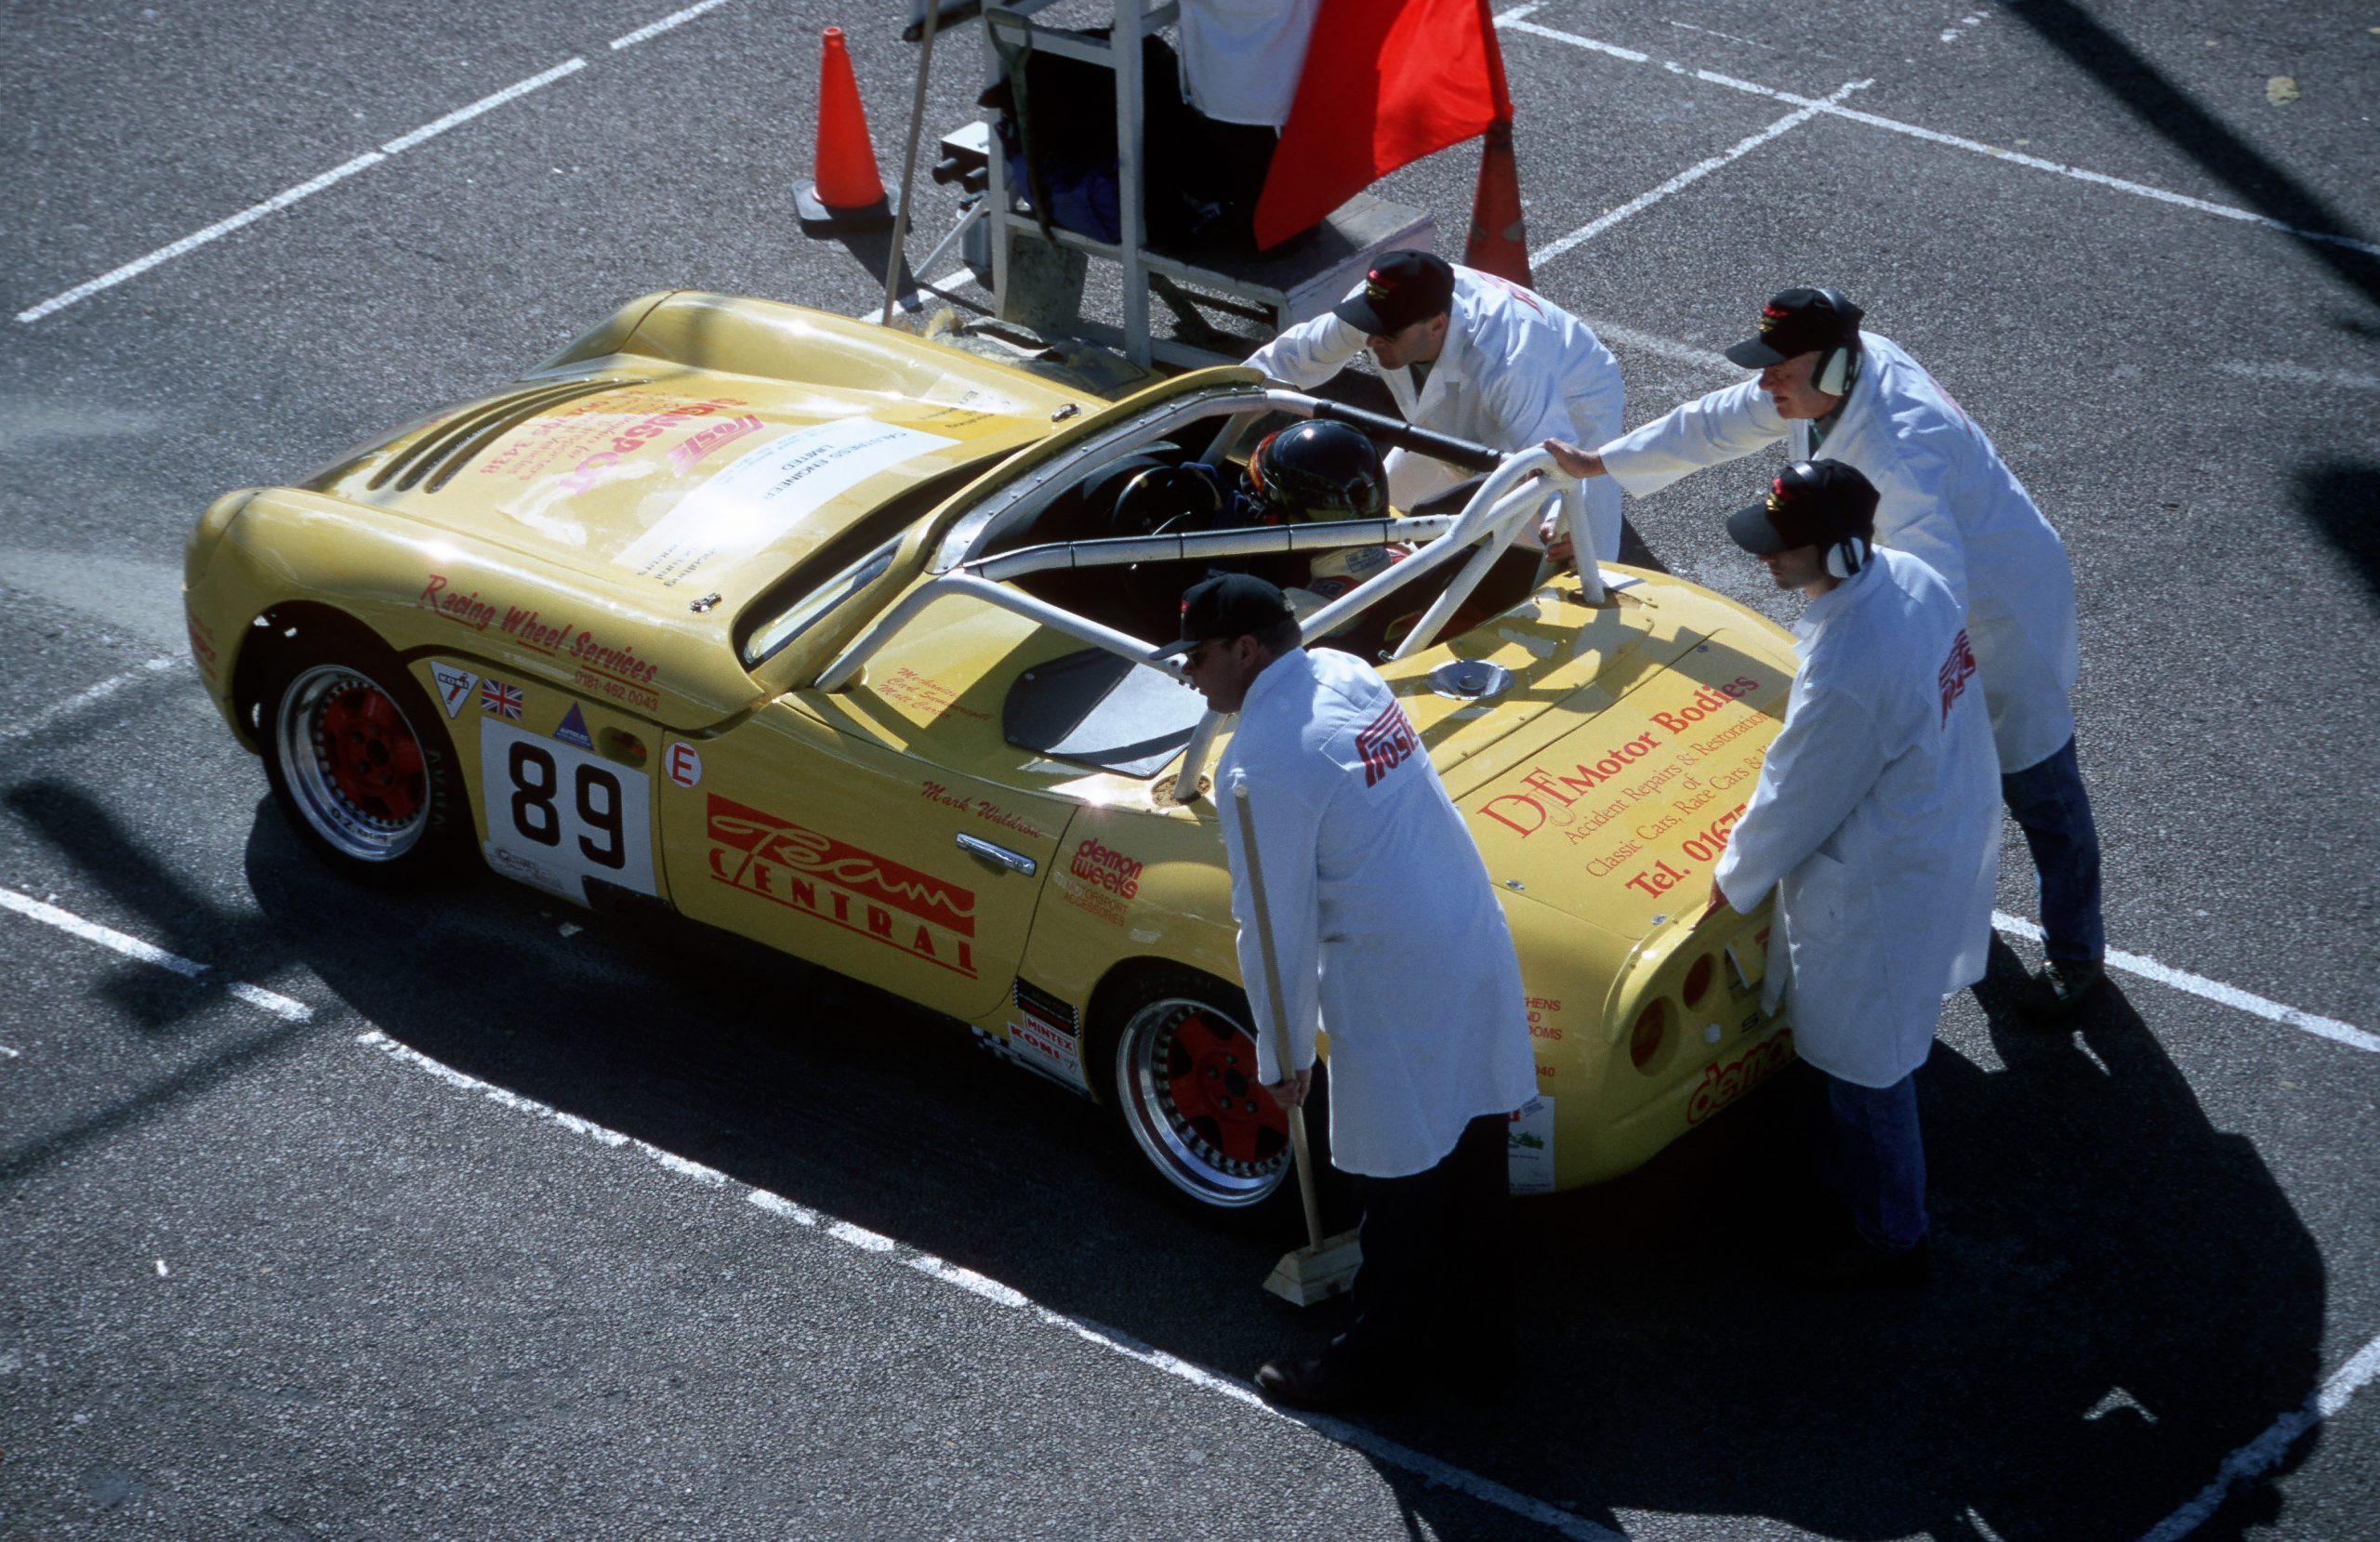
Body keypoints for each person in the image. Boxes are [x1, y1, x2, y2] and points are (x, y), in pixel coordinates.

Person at [1545, 286, 2107, 1014]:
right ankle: (1970, 925)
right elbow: (1716, 422)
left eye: (1782, 368)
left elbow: (1936, 599)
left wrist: (1912, 696)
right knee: (1951, 784)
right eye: (1766, 365)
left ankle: (2076, 955)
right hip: (1953, 590)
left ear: (1837, 367)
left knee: (2041, 789)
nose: (1765, 382)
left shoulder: (1898, 451)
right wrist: (1601, 462)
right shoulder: (1822, 385)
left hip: (1998, 619)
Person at [1177, 572, 1538, 1408]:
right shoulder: (1348, 671)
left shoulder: (1259, 763)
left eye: (1194, 657)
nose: (1188, 675)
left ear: (1245, 648)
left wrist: (1284, 1053)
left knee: (1400, 1177)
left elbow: (1272, 924)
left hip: (1394, 975)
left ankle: (1376, 1358)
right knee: (1476, 1155)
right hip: (1466, 929)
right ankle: (1486, 1339)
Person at [1705, 461, 2000, 1286]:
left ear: (1834, 554)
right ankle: (1855, 1193)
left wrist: (1733, 879)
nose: (1765, 558)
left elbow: (1796, 791)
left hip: (1885, 877)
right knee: (1883, 1039)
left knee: (1870, 1065)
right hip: (1935, 824)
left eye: (1781, 547)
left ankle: (1891, 1233)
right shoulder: (1909, 577)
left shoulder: (1849, 666)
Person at [1245, 249, 1627, 560]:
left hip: (1576, 398)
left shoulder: (1507, 361)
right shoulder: (1380, 309)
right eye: (1369, 326)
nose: (1372, 340)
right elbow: (1296, 355)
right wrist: (1220, 393)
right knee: (1378, 508)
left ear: (1437, 325)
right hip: (1455, 407)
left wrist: (1559, 519)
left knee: (1575, 555)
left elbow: (1552, 458)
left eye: (1388, 334)